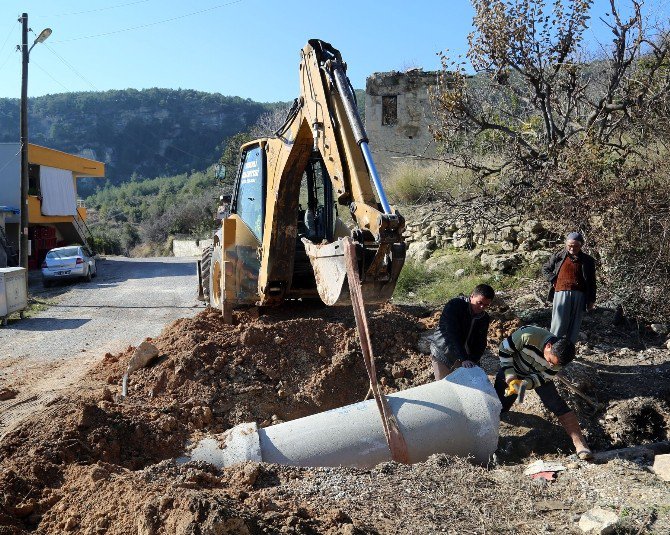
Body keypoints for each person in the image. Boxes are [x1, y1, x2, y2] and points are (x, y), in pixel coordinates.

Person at [496, 325, 592, 460]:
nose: (552, 365)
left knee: (556, 404)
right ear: (548, 346)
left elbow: (542, 378)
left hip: (536, 374)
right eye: (550, 361)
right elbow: (504, 349)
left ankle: (580, 443)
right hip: (513, 367)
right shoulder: (528, 335)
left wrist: (523, 385)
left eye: (555, 365)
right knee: (500, 404)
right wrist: (511, 377)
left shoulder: (558, 361)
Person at [430, 284, 495, 380]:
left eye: (486, 305)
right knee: (444, 386)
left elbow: (481, 342)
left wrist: (473, 360)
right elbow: (452, 333)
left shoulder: (484, 318)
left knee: (467, 386)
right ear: (472, 296)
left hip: (465, 357)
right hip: (443, 352)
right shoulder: (455, 306)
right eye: (479, 302)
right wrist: (463, 358)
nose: (482, 307)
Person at [542, 231, 596, 344]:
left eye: (576, 246)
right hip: (561, 293)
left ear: (581, 246)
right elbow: (545, 269)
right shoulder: (558, 256)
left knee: (575, 324)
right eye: (570, 245)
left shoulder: (588, 260)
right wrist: (553, 279)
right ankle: (552, 348)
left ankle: (568, 351)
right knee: (559, 323)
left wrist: (591, 300)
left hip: (580, 295)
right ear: (566, 244)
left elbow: (591, 282)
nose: (572, 248)